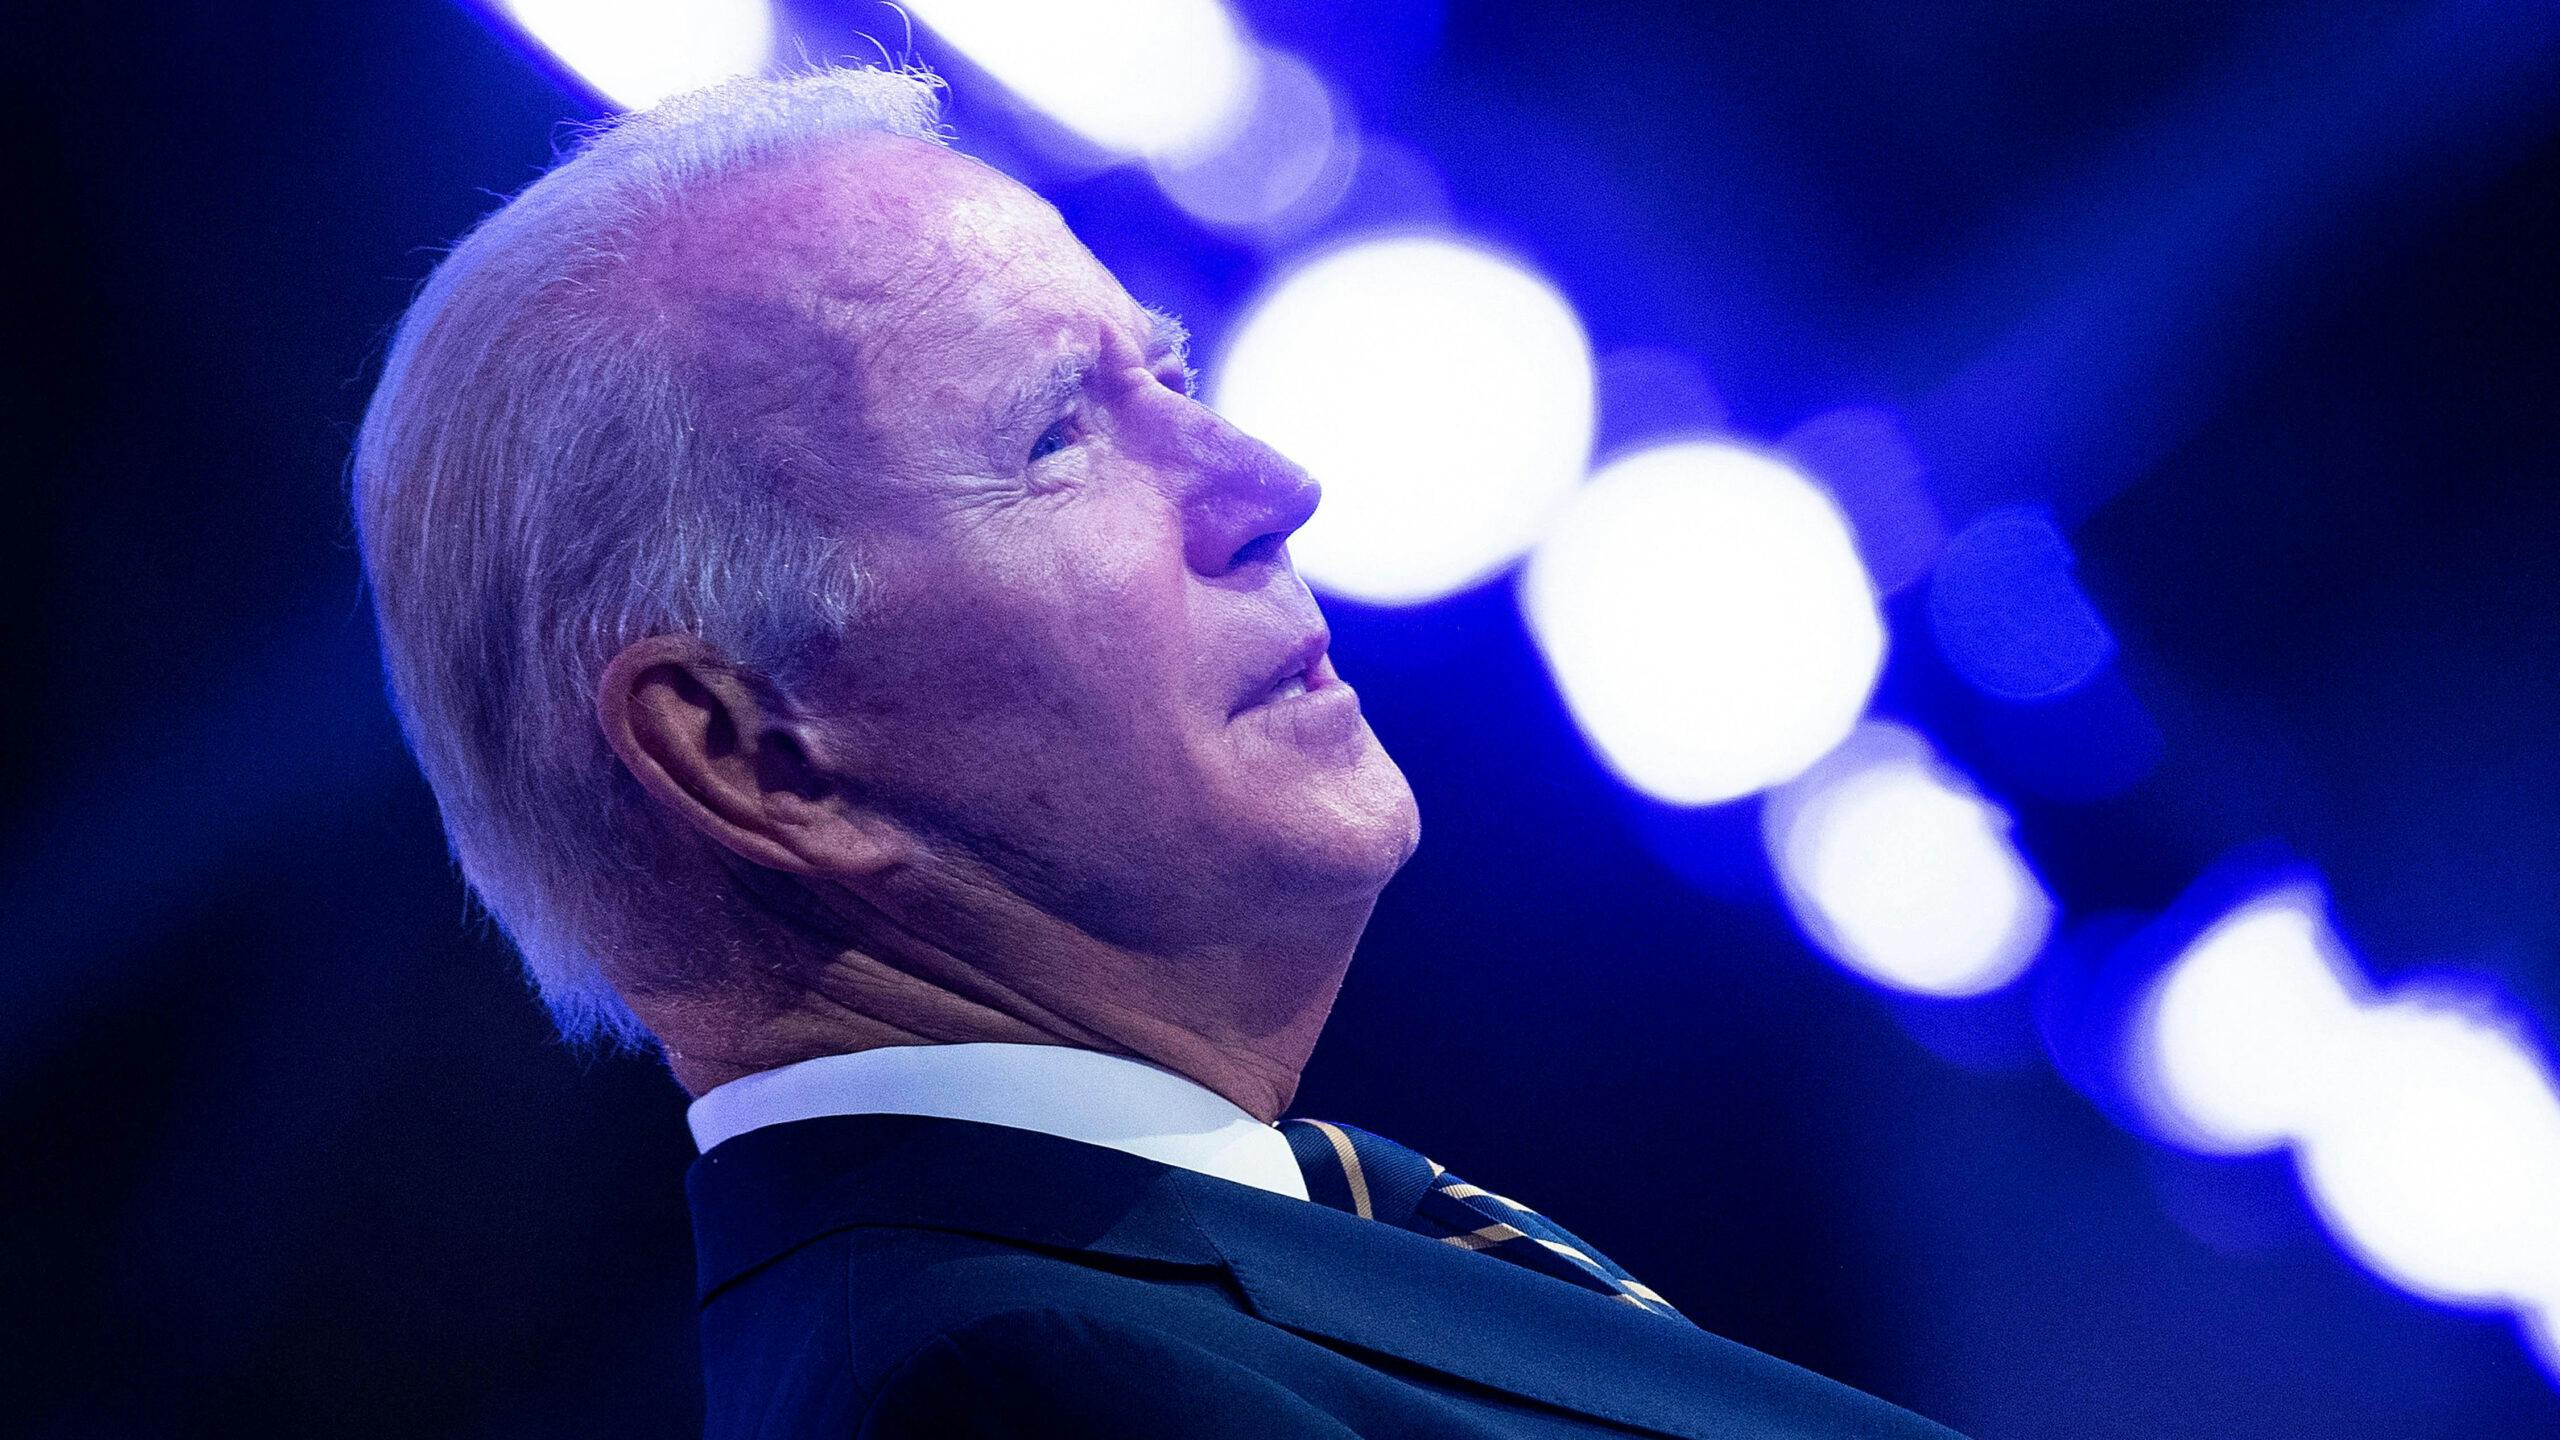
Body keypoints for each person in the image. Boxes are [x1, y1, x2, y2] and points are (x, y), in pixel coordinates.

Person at [353, 64, 1967, 1439]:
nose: (1268, 485)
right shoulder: (1016, 1393)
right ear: (755, 754)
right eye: (1056, 436)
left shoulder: (1188, 1284)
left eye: (1173, 376)